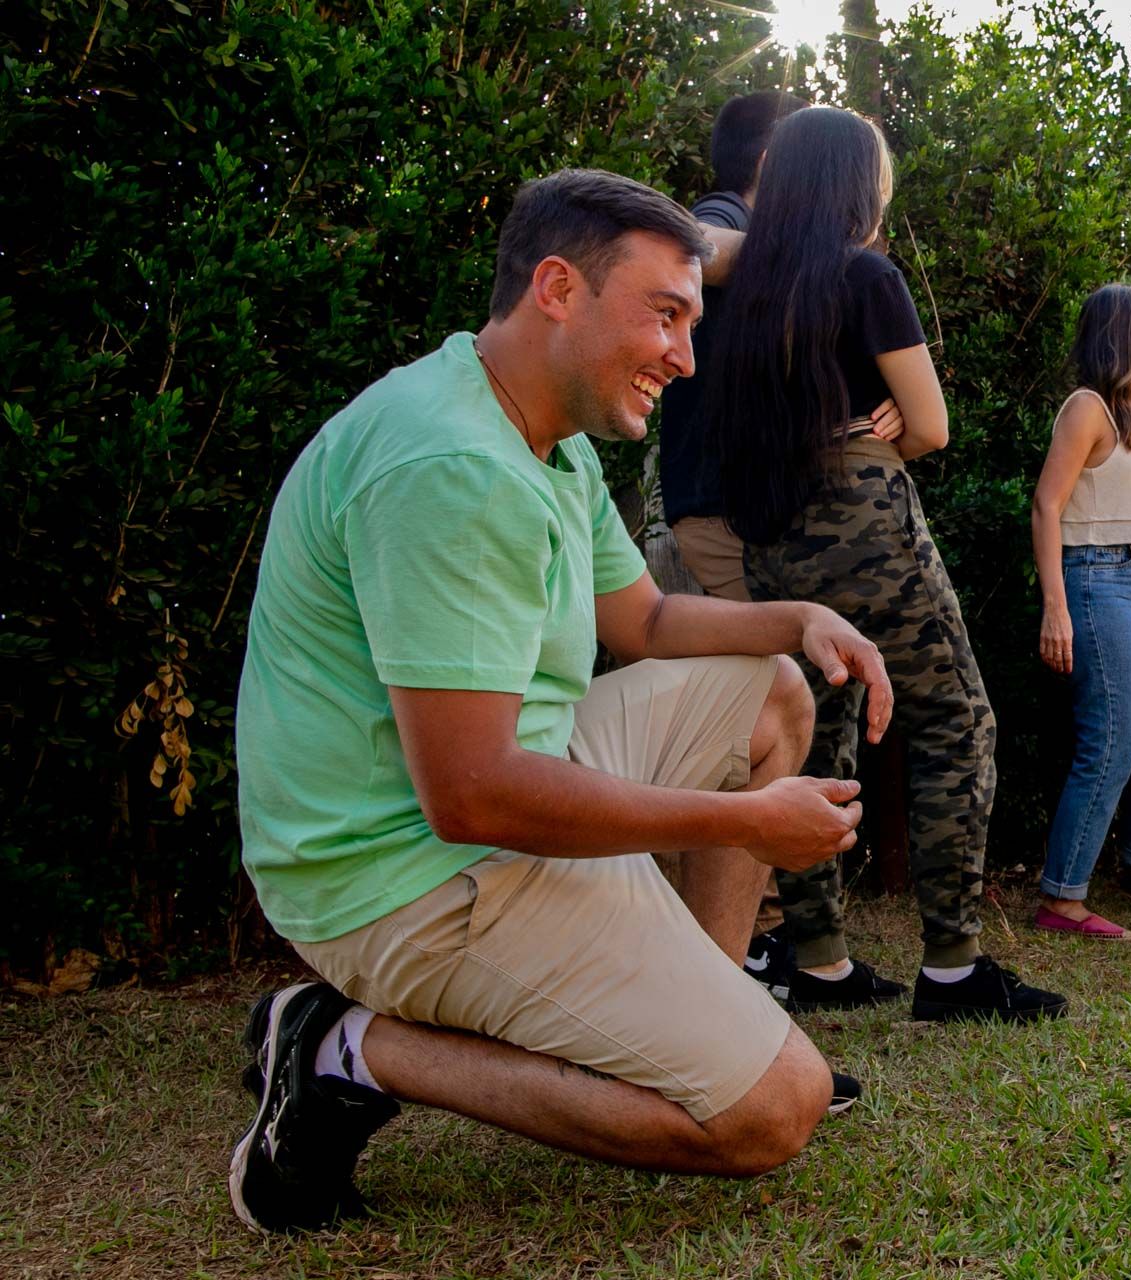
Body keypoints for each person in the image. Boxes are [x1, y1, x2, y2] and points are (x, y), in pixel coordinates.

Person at [227, 169, 897, 1234]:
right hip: (400, 869)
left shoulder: (541, 431)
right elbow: (473, 797)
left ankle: (696, 1012)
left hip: (489, 788)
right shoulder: (454, 466)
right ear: (556, 288)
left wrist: (799, 617)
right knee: (775, 1111)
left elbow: (645, 622)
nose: (684, 353)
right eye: (665, 315)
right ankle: (340, 1046)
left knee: (767, 693)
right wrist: (741, 822)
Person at [712, 107, 1063, 1020]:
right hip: (863, 520)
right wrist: (896, 427)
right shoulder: (864, 275)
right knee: (954, 718)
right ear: (857, 186)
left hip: (770, 532)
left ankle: (819, 956)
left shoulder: (745, 289)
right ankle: (953, 967)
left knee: (819, 731)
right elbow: (934, 425)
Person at [1030, 285, 1131, 937]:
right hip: (1095, 581)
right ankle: (1062, 898)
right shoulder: (1087, 409)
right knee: (1111, 742)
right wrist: (1055, 609)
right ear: (1128, 337)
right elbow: (1047, 506)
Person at [659, 89, 807, 602]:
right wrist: (815, 257)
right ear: (772, 164)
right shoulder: (729, 212)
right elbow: (688, 246)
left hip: (739, 509)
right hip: (721, 516)